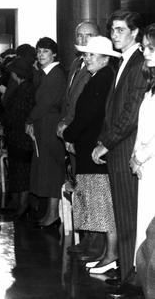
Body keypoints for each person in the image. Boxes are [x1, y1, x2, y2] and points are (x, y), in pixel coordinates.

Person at [92, 10, 148, 288]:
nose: (114, 35)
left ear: (135, 33)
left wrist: (108, 143)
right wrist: (105, 141)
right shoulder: (125, 61)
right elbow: (113, 110)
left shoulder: (139, 62)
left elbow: (130, 113)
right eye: (112, 30)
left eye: (120, 30)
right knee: (122, 213)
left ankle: (130, 276)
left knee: (127, 216)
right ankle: (126, 267)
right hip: (118, 149)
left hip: (127, 149)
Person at [62, 36, 119, 274]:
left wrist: (69, 134)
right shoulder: (99, 77)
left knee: (103, 205)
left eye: (92, 54)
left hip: (94, 149)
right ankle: (108, 255)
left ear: (106, 58)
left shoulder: (103, 78)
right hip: (88, 147)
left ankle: (111, 256)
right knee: (100, 204)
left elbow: (89, 115)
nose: (86, 58)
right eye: (86, 54)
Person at [58, 21, 102, 258]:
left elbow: (87, 106)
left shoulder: (100, 63)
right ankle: (85, 236)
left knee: (92, 188)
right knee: (79, 186)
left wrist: (71, 131)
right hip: (71, 132)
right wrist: (63, 125)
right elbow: (69, 100)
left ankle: (95, 240)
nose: (84, 39)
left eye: (89, 35)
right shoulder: (76, 63)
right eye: (80, 35)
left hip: (85, 135)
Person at [25, 37, 66, 228]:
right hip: (44, 124)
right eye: (39, 51)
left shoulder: (55, 74)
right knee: (47, 169)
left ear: (54, 54)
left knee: (52, 171)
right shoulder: (43, 73)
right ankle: (50, 213)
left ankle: (53, 215)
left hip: (50, 125)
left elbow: (44, 103)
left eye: (45, 51)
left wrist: (29, 120)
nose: (41, 55)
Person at [134, 23, 155, 298]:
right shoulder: (151, 84)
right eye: (145, 47)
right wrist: (136, 154)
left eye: (151, 48)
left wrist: (140, 155)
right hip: (146, 169)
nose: (145, 52)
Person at [0, 57, 35, 218]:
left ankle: (22, 205)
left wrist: (5, 120)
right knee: (19, 172)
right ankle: (20, 204)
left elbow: (17, 113)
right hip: (18, 137)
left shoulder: (25, 88)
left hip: (20, 138)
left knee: (22, 173)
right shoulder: (26, 87)